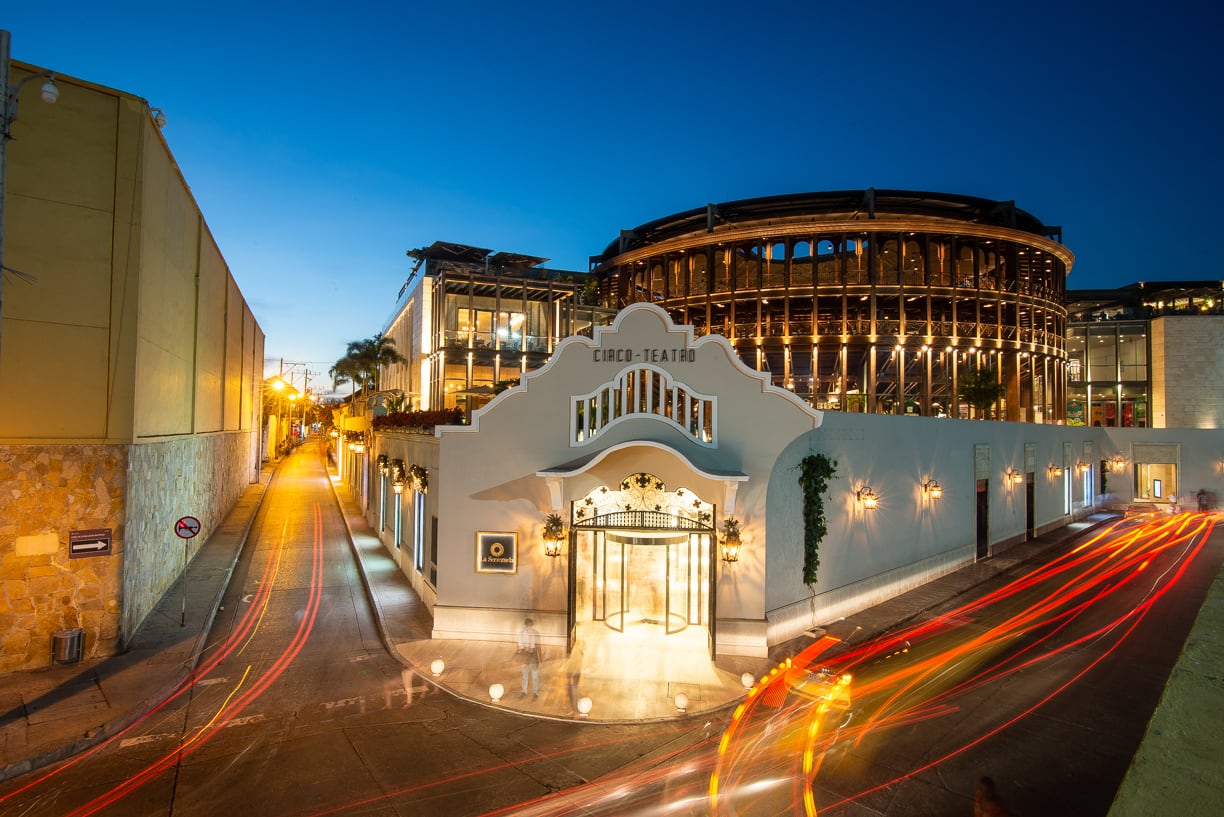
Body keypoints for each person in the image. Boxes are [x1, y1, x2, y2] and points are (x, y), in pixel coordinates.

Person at [517, 617, 541, 699]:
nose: (529, 627)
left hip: (533, 654)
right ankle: (524, 691)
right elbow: (519, 646)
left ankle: (535, 692)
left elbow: (538, 646)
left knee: (535, 675)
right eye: (528, 625)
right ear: (526, 625)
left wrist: (540, 658)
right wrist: (522, 649)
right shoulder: (522, 633)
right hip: (525, 655)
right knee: (524, 675)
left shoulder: (535, 633)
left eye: (530, 625)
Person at [565, 636, 586, 711]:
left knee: (574, 693)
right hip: (574, 674)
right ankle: (574, 709)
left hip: (574, 674)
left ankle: (575, 710)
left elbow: (577, 665)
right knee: (573, 692)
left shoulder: (577, 652)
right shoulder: (576, 651)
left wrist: (572, 676)